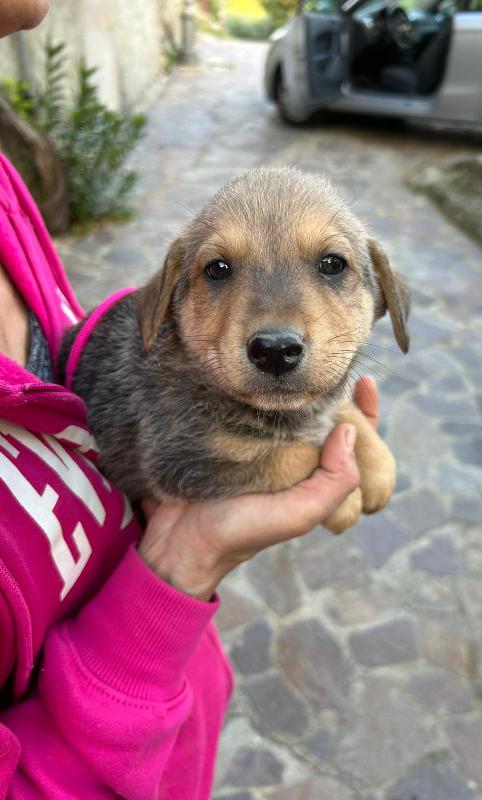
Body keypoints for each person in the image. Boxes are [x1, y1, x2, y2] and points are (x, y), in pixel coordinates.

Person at [0, 2, 379, 797]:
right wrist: (182, 568)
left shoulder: (4, 186)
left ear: (388, 299)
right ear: (165, 299)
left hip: (180, 728)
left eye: (333, 267)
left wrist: (334, 414)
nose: (275, 322)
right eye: (218, 270)